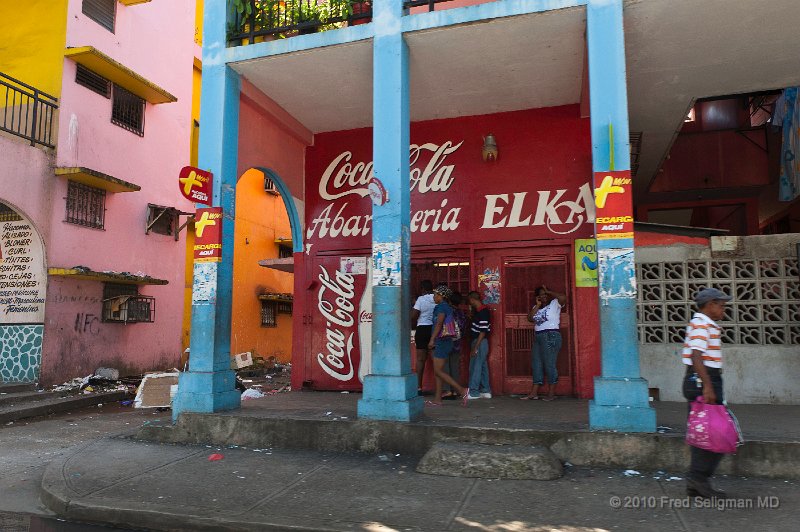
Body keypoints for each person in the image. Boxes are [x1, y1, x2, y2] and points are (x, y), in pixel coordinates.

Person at [682, 287, 732, 498]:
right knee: (716, 432)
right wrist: (709, 386)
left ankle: (697, 479)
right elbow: (696, 356)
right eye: (721, 306)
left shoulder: (704, 323)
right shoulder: (702, 324)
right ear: (710, 304)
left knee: (704, 432)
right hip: (704, 379)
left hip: (702, 379)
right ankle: (699, 479)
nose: (723, 310)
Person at [522, 285, 566, 401]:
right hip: (538, 337)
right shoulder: (537, 307)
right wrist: (538, 305)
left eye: (544, 294)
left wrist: (549, 291)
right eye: (540, 294)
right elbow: (530, 318)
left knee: (549, 364)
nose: (543, 296)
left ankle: (551, 393)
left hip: (551, 335)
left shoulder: (555, 303)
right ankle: (534, 393)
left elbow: (563, 297)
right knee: (537, 364)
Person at [426, 285, 469, 406]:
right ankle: (438, 399)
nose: (434, 297)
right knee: (438, 371)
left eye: (435, 294)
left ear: (441, 296)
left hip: (441, 341)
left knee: (439, 371)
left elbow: (439, 324)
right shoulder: (447, 307)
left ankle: (462, 390)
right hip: (446, 341)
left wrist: (432, 339)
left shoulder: (441, 307)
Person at [441, 291, 467, 400]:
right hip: (457, 342)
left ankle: (447, 390)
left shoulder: (447, 310)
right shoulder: (461, 313)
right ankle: (456, 390)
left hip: (446, 340)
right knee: (455, 367)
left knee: (445, 366)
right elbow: (464, 328)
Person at [466, 291, 492, 400]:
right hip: (480, 342)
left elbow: (482, 331)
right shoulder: (479, 311)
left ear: (472, 299)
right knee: (482, 366)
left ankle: (474, 391)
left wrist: (475, 347)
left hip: (479, 342)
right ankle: (486, 390)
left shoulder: (483, 312)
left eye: (469, 300)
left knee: (475, 366)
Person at [411, 280, 435, 392]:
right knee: (436, 360)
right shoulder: (437, 298)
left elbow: (414, 315)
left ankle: (418, 387)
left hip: (422, 329)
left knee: (420, 360)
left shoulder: (421, 299)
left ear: (423, 289)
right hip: (434, 330)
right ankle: (440, 387)